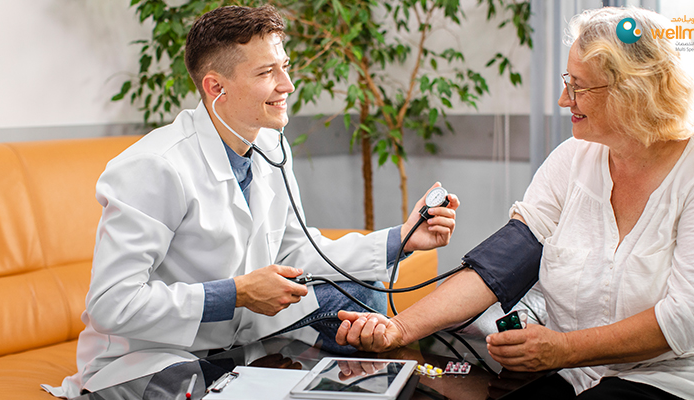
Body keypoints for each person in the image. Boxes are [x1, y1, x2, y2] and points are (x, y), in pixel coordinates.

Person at [43, 5, 459, 398]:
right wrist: (235, 293)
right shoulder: (154, 167)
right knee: (193, 386)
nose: (287, 85)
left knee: (363, 296)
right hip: (153, 353)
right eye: (267, 72)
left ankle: (267, 373)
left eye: (285, 67)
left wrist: (402, 238)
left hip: (244, 335)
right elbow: (111, 304)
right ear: (216, 87)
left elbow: (298, 251)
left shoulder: (269, 144)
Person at [336, 6, 694, 400]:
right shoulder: (572, 159)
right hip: (576, 373)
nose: (564, 100)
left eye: (579, 86)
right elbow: (505, 263)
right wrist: (400, 328)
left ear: (633, 92)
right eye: (568, 81)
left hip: (671, 377)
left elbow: (687, 319)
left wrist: (564, 349)